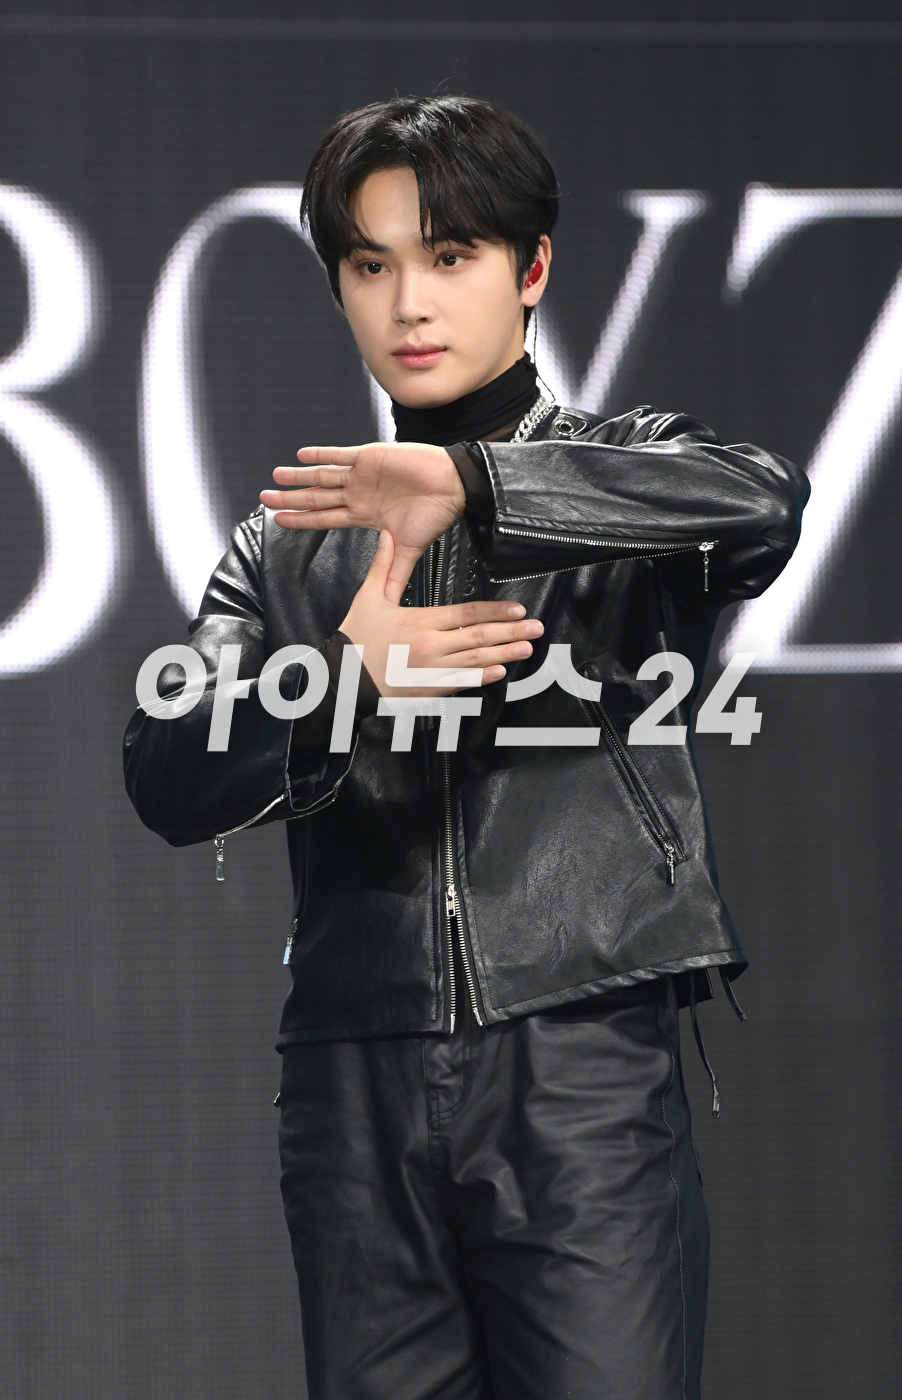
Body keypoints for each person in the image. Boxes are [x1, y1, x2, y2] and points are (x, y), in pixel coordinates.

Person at [124, 95, 809, 1400]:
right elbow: (164, 769)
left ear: (531, 267)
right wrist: (341, 682)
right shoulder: (287, 542)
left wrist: (478, 486)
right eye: (369, 265)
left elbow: (764, 502)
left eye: (448, 256)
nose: (409, 303)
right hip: (354, 1076)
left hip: (576, 1062)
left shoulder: (623, 469)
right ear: (338, 286)